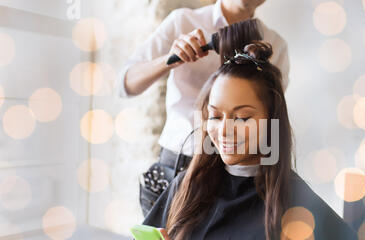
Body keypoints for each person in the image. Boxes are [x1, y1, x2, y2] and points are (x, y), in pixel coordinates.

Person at [119, 42, 365, 240]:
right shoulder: (186, 186)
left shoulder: (298, 206)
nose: (225, 130)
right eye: (215, 116)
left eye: (242, 118)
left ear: (272, 121)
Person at [117, 0, 290, 216]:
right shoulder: (184, 21)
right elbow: (125, 84)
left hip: (234, 176)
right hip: (177, 166)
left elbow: (272, 122)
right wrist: (169, 59)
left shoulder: (275, 45)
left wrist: (272, 183)